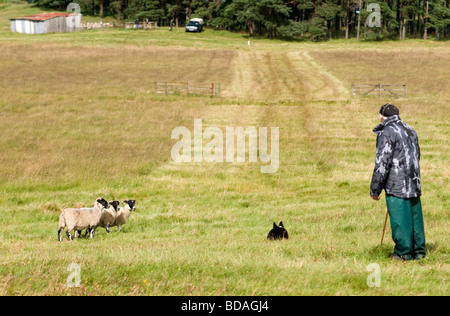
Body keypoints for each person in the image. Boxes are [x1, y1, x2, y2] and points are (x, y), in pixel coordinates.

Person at [370, 103, 426, 261]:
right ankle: (419, 252)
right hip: (414, 181)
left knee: (400, 219)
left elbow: (382, 162)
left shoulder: (386, 132)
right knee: (415, 217)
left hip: (396, 184)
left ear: (382, 116)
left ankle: (403, 253)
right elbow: (417, 155)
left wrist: (375, 189)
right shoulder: (411, 130)